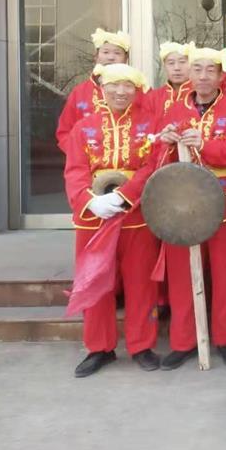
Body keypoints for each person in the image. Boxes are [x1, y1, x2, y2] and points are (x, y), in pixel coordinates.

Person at [155, 47, 226, 370]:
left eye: (211, 70)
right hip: (182, 203)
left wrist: (204, 145)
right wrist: (166, 142)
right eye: (198, 69)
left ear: (222, 75)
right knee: (182, 274)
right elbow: (159, 160)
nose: (204, 76)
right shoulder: (173, 109)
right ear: (189, 74)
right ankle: (183, 341)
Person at [62, 63, 160, 377]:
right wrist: (91, 201)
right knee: (94, 283)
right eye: (114, 85)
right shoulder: (83, 127)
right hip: (94, 217)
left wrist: (124, 196)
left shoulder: (150, 124)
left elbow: (152, 166)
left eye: (127, 86)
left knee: (140, 282)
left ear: (136, 90)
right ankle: (99, 348)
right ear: (102, 90)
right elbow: (75, 170)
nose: (120, 92)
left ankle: (141, 345)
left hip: (135, 215)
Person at [56, 28, 131, 152]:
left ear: (126, 58)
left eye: (117, 53)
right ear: (96, 57)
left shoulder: (138, 91)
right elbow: (65, 132)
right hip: (87, 161)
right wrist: (78, 156)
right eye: (105, 52)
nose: (111, 57)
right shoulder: (80, 92)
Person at [147, 41, 193, 118]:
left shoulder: (201, 95)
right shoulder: (153, 98)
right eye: (171, 63)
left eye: (182, 62)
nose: (177, 68)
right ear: (164, 66)